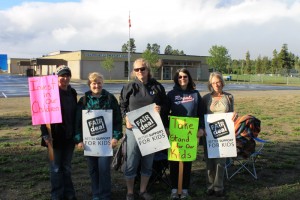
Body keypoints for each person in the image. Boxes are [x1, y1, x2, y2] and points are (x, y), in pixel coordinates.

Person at [119, 58, 167, 200]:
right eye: (137, 69)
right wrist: (125, 118)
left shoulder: (157, 87)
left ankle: (142, 190)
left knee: (148, 161)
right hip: (133, 130)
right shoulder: (129, 87)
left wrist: (160, 109)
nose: (140, 71)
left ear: (148, 70)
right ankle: (129, 192)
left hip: (151, 130)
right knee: (132, 161)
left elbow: (165, 105)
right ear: (134, 71)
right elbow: (122, 105)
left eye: (143, 69)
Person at [74, 72, 123, 200]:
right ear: (90, 85)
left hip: (106, 142)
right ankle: (96, 194)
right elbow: (77, 122)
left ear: (103, 83)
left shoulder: (110, 98)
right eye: (94, 83)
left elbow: (117, 120)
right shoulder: (83, 100)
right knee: (93, 170)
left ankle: (105, 195)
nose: (97, 85)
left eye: (99, 83)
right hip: (89, 143)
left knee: (104, 169)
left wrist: (116, 137)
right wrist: (79, 140)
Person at [161, 68, 205, 199]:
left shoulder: (196, 94)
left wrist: (201, 128)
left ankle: (185, 189)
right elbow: (164, 113)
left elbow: (201, 114)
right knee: (174, 160)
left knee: (187, 161)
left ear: (189, 78)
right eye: (179, 77)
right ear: (176, 79)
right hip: (175, 132)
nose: (182, 79)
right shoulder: (171, 94)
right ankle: (174, 189)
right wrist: (167, 127)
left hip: (190, 133)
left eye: (185, 77)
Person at [40, 65, 77, 200]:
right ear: (56, 77)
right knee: (56, 168)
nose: (65, 78)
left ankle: (69, 194)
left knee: (66, 167)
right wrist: (45, 134)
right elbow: (42, 115)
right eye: (62, 75)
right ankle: (57, 195)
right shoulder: (50, 92)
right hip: (54, 137)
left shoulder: (72, 92)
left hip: (69, 136)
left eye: (67, 75)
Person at [202, 71, 236, 197]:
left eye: (219, 82)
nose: (217, 84)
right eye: (214, 83)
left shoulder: (229, 97)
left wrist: (235, 116)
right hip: (209, 134)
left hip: (224, 134)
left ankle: (218, 186)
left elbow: (232, 113)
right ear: (210, 84)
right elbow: (201, 115)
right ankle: (210, 185)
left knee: (220, 162)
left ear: (222, 82)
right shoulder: (206, 98)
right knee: (209, 162)